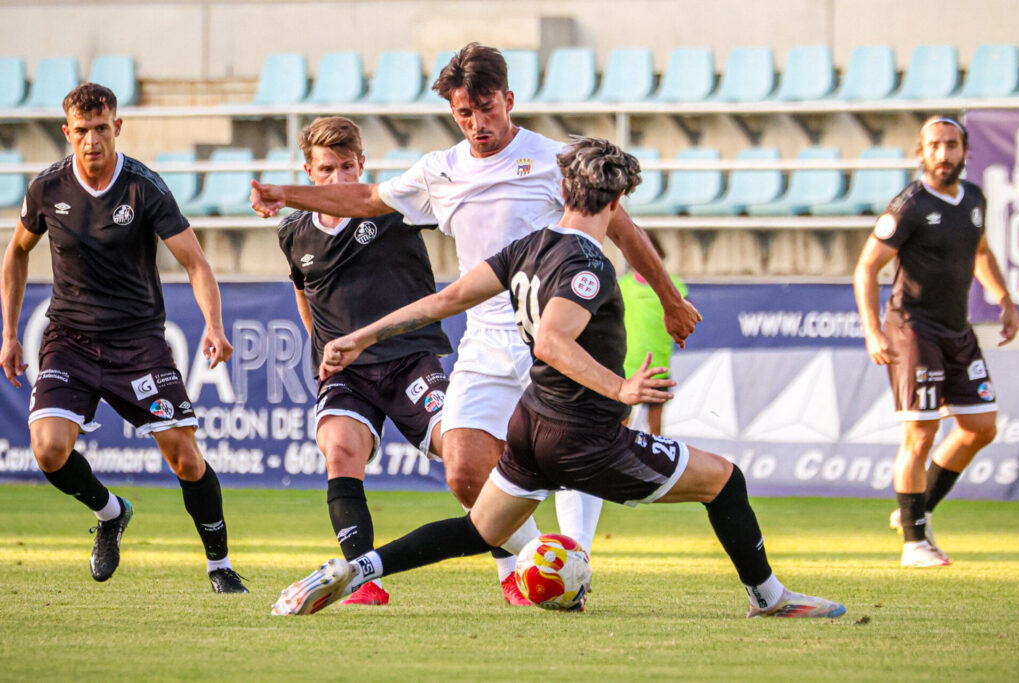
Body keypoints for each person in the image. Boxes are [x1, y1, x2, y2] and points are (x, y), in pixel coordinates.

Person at [270, 137, 846, 619]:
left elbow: (446, 298)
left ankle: (356, 568)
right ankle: (768, 598)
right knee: (725, 480)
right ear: (618, 198)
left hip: (531, 428)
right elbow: (552, 340)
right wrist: (620, 389)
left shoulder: (528, 246)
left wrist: (360, 335)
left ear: (563, 189)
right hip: (584, 437)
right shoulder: (589, 264)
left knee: (479, 530)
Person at [250, 43, 701, 603]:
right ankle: (541, 562)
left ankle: (573, 560)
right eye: (464, 113)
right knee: (464, 470)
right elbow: (367, 197)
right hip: (485, 337)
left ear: (508, 100)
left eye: (486, 108)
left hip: (556, 329)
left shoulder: (555, 161)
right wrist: (282, 194)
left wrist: (670, 299)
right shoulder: (440, 170)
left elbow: (621, 227)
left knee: (571, 455)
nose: (477, 123)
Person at [0, 83, 247, 592]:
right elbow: (17, 252)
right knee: (48, 451)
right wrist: (9, 332)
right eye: (82, 131)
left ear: (118, 127)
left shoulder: (144, 187)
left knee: (183, 454)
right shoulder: (46, 188)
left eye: (101, 128)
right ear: (67, 133)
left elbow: (195, 263)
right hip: (69, 339)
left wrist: (215, 326)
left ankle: (219, 565)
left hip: (138, 344)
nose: (93, 140)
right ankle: (111, 513)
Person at [277, 116, 454, 606]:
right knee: (339, 451)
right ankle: (363, 580)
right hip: (349, 375)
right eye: (327, 170)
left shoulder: (394, 208)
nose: (338, 180)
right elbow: (304, 292)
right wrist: (322, 348)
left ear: (363, 165)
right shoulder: (293, 232)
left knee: (460, 455)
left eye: (347, 168)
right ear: (309, 172)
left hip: (409, 360)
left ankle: (513, 568)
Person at [853, 116, 1019, 568]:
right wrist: (872, 329)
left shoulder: (975, 199)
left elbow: (980, 252)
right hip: (912, 329)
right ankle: (914, 544)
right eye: (935, 146)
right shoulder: (908, 205)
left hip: (957, 330)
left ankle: (916, 509)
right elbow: (867, 268)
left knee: (980, 427)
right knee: (921, 432)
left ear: (966, 151)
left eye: (951, 145)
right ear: (921, 152)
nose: (943, 154)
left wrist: (1003, 299)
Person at [618, 231, 689, 435]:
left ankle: (655, 466)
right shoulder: (622, 286)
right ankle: (619, 464)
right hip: (627, 364)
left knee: (655, 429)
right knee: (622, 423)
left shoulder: (674, 285)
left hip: (658, 364)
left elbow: (688, 316)